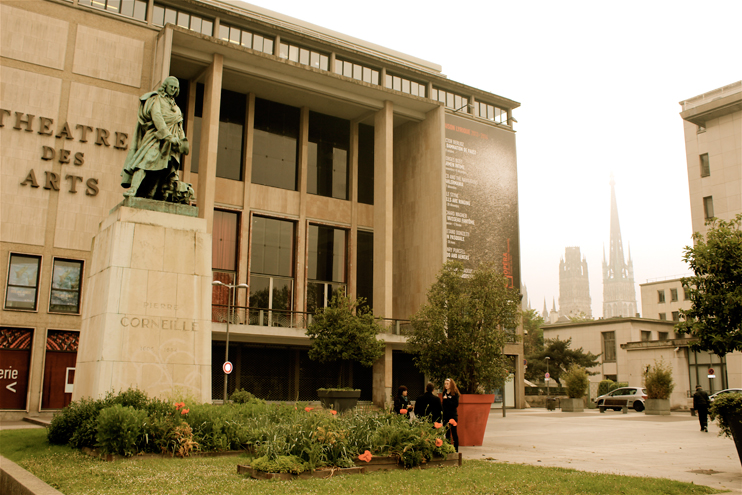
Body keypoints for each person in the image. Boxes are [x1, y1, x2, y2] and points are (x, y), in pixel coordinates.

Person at [121, 76, 190, 202]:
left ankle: (151, 196)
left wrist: (182, 141)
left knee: (163, 170)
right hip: (156, 138)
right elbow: (157, 117)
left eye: (176, 88)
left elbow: (179, 127)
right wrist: (168, 136)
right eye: (171, 87)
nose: (173, 90)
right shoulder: (156, 99)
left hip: (170, 144)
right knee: (144, 162)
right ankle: (134, 188)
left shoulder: (177, 108)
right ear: (166, 86)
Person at [442, 377, 460, 452]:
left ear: (451, 384)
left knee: (454, 432)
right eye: (445, 384)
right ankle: (448, 448)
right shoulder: (444, 393)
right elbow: (443, 404)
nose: (446, 385)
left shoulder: (455, 393)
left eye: (447, 384)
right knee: (447, 433)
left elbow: (455, 404)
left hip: (452, 415)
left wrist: (447, 400)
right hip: (446, 415)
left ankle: (456, 449)